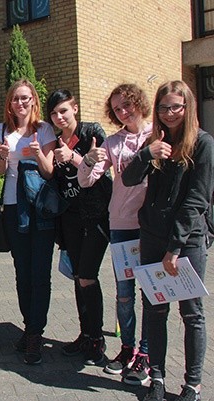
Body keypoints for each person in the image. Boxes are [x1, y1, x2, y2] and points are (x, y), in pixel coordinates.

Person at [122, 80, 213, 401]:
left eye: (176, 106)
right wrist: (147, 153)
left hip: (186, 243)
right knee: (155, 309)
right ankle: (157, 377)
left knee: (192, 313)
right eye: (163, 107)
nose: (169, 113)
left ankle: (192, 384)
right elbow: (128, 179)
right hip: (152, 238)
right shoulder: (155, 142)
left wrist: (175, 248)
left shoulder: (202, 144)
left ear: (187, 108)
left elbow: (197, 200)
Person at [77, 83, 152, 384]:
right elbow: (86, 181)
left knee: (151, 294)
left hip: (151, 226)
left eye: (127, 105)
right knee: (124, 294)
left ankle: (145, 353)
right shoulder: (113, 142)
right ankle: (127, 349)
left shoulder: (156, 135)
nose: (123, 112)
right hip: (121, 224)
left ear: (139, 103)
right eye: (117, 108)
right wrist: (89, 160)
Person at [46, 89, 112, 366]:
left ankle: (97, 339)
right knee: (78, 277)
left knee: (87, 275)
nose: (60, 117)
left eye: (64, 110)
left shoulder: (91, 133)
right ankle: (86, 335)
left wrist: (73, 157)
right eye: (54, 113)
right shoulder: (54, 142)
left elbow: (102, 172)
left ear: (74, 108)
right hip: (70, 218)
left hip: (97, 216)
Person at [0, 79, 56, 365]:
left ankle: (35, 334)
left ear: (33, 101)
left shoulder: (44, 129)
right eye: (16, 98)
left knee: (40, 273)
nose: (20, 103)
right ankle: (29, 327)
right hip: (12, 205)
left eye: (25, 98)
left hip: (39, 206)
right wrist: (2, 156)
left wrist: (39, 153)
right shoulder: (1, 130)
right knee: (22, 272)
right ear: (10, 103)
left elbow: (50, 172)